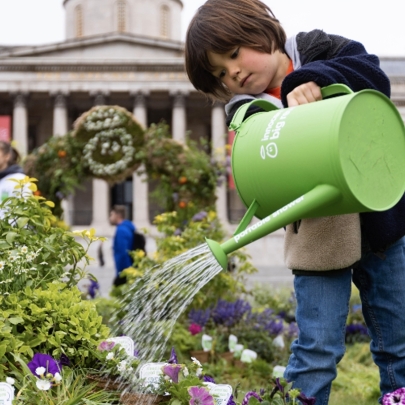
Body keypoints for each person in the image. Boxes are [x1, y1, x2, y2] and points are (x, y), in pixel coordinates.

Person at [185, 1, 405, 403]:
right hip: (317, 240)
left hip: (381, 224)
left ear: (262, 29)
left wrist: (311, 80)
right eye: (220, 72)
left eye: (234, 54)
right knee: (317, 349)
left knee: (399, 341)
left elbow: (374, 78)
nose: (232, 72)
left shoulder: (318, 48)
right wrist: (288, 102)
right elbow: (261, 159)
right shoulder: (246, 111)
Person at [109, 205, 136, 287]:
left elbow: (122, 252)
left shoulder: (121, 230)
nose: (110, 217)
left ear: (118, 215)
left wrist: (122, 274)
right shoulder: (126, 228)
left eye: (111, 215)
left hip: (124, 272)